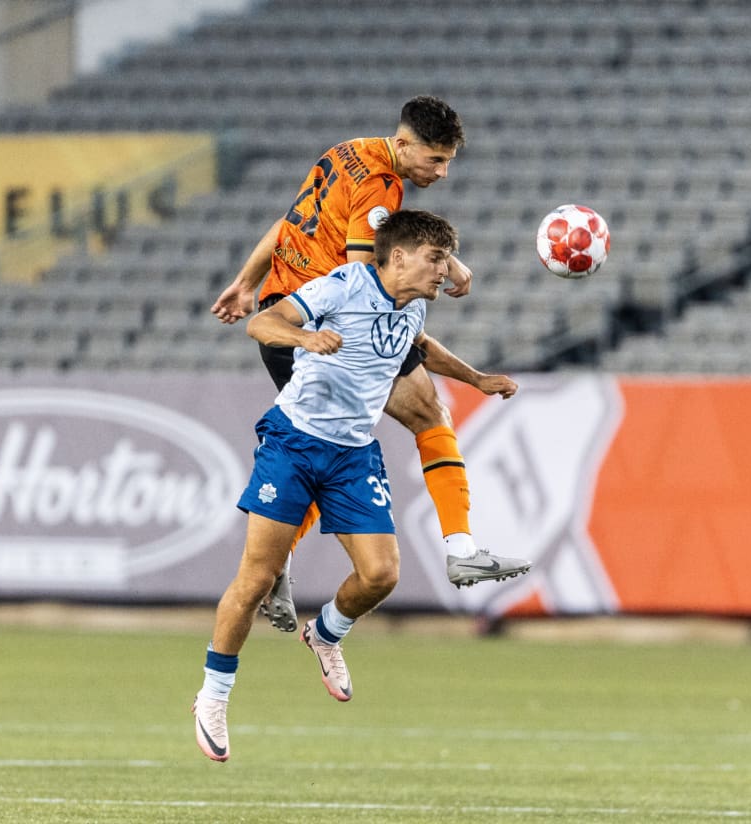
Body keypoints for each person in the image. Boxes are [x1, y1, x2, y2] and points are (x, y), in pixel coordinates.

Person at [193, 210, 518, 762]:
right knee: (256, 578)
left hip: (352, 453)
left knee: (382, 574)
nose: (444, 272)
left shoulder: (410, 302)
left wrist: (477, 379)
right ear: (398, 257)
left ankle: (325, 633)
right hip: (294, 443)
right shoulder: (343, 284)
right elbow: (262, 324)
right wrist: (306, 337)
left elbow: (420, 345)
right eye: (435, 259)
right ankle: (213, 695)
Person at [210, 96, 530, 632]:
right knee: (427, 417)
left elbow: (288, 223)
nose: (442, 173)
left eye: (448, 160)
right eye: (434, 160)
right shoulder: (383, 186)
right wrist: (446, 262)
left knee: (328, 440)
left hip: (283, 312)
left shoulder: (344, 153)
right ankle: (460, 547)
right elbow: (369, 280)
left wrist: (246, 281)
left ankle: (280, 561)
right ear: (403, 145)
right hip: (317, 327)